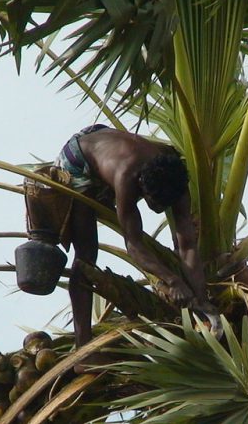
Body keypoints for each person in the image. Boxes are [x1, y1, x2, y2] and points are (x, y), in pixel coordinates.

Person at [53, 125, 218, 355]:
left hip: (109, 144)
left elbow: (187, 245)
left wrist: (201, 300)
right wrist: (172, 281)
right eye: (153, 203)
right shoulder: (126, 177)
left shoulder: (177, 183)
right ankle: (83, 351)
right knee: (86, 255)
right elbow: (134, 245)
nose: (158, 211)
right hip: (80, 157)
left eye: (164, 206)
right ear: (141, 186)